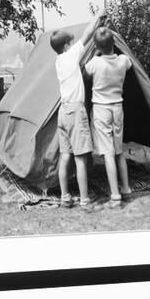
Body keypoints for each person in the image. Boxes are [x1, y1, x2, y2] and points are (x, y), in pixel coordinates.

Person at [50, 12, 103, 209]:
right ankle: (84, 200)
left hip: (63, 112)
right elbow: (88, 34)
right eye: (70, 43)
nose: (73, 46)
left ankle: (65, 197)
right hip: (75, 111)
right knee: (80, 158)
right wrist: (98, 15)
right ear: (65, 47)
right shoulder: (71, 55)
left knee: (65, 156)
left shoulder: (58, 62)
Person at [84, 26, 133, 208]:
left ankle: (115, 196)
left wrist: (96, 51)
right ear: (114, 43)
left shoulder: (95, 63)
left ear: (96, 46)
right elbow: (128, 61)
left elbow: (84, 74)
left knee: (107, 153)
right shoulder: (123, 61)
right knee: (118, 150)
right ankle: (126, 189)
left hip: (101, 109)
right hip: (117, 108)